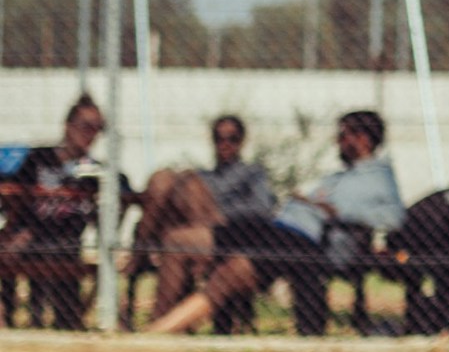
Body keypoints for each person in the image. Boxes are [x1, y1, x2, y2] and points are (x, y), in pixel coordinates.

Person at [148, 110, 405, 338]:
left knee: (229, 274)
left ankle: (158, 333)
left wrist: (337, 211)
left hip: (300, 241)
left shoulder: (379, 177)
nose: (337, 141)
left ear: (362, 140)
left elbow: (394, 217)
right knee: (178, 241)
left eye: (343, 135)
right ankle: (156, 322)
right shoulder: (340, 175)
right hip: (274, 227)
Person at [0, 94, 136, 327]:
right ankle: (7, 319)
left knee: (67, 312)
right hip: (26, 240)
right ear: (68, 126)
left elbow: (124, 192)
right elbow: (14, 199)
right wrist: (20, 233)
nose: (90, 134)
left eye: (97, 128)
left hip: (64, 243)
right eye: (85, 126)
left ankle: (67, 322)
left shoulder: (94, 172)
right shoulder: (37, 158)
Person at [134, 114, 278, 321]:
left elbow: (263, 207)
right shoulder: (206, 176)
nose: (225, 145)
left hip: (228, 234)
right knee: (162, 178)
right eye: (219, 138)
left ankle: (139, 256)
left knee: (189, 183)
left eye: (232, 138)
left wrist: (221, 214)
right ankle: (142, 252)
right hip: (193, 231)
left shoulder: (251, 173)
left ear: (242, 141)